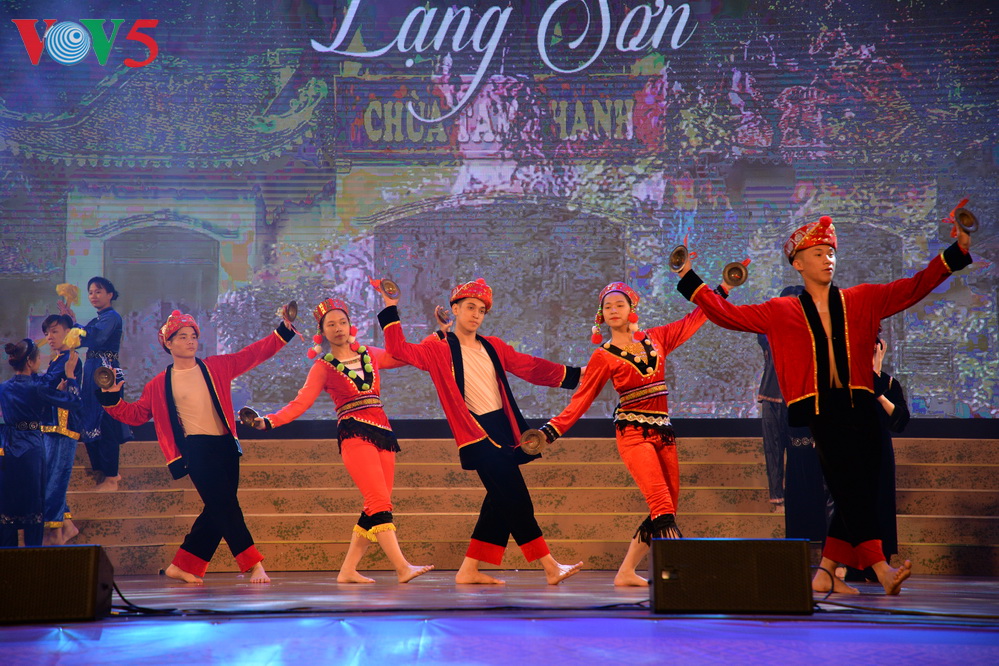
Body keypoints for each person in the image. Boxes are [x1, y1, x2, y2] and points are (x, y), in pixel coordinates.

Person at [674, 215, 972, 595]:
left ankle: (826, 572)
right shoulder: (782, 309)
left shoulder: (861, 298)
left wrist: (957, 251)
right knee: (850, 486)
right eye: (818, 253)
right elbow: (727, 314)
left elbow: (914, 287)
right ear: (798, 263)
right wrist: (688, 276)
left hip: (862, 404)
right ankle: (880, 568)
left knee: (861, 487)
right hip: (821, 408)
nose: (827, 259)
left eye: (831, 252)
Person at [377, 278, 584, 585]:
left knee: (498, 502)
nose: (476, 314)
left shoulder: (493, 346)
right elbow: (398, 349)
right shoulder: (438, 349)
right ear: (455, 309)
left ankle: (468, 570)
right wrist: (390, 307)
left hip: (503, 429)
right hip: (476, 432)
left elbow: (530, 367)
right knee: (516, 498)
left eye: (482, 310)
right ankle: (550, 567)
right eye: (470, 307)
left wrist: (578, 375)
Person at [526, 281, 721, 586]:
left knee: (667, 506)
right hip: (633, 434)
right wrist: (549, 432)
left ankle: (626, 572)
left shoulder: (658, 338)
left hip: (664, 433)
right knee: (661, 505)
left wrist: (721, 291)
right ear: (601, 315)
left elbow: (693, 320)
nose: (613, 310)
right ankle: (679, 578)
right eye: (607, 307)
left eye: (619, 304)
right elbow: (582, 400)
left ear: (632, 309)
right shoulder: (603, 356)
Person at [98, 309, 297, 584]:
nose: (190, 341)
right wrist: (111, 399)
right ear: (168, 343)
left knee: (217, 508)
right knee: (226, 506)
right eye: (182, 336)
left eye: (193, 335)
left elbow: (252, 354)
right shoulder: (159, 384)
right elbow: (136, 414)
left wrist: (283, 332)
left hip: (226, 445)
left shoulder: (216, 367)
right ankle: (254, 565)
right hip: (196, 449)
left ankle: (182, 565)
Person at [248, 297, 434, 584]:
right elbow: (300, 403)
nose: (338, 328)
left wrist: (437, 338)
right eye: (331, 324)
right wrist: (269, 421)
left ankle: (348, 570)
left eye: (342, 322)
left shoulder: (370, 354)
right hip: (354, 434)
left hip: (384, 433)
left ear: (351, 326)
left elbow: (404, 355)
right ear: (322, 332)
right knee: (378, 501)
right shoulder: (322, 367)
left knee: (377, 505)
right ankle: (401, 567)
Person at [0, 339, 80, 547]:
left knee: (7, 506)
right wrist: (71, 378)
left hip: (7, 446)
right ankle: (33, 557)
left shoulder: (4, 388)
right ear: (29, 361)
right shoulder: (38, 388)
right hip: (31, 448)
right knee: (33, 503)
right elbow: (73, 402)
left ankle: (7, 559)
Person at [845, 333, 909, 582]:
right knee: (856, 506)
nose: (870, 357)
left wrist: (879, 391)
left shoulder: (889, 384)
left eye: (874, 352)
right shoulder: (849, 383)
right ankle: (854, 564)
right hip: (853, 451)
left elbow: (900, 421)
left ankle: (881, 564)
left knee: (881, 504)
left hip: (880, 451)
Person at [76, 277, 133, 491]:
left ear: (110, 294)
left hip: (106, 373)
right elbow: (80, 338)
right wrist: (69, 322)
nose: (93, 295)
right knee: (90, 419)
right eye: (90, 292)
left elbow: (95, 338)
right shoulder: (97, 319)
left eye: (98, 291)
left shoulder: (111, 317)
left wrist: (75, 328)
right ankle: (102, 471)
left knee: (106, 421)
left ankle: (111, 476)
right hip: (93, 371)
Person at [39, 314, 83, 545]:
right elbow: (47, 388)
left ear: (68, 333)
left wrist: (51, 386)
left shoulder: (70, 359)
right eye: (47, 333)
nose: (49, 337)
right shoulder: (57, 360)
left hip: (64, 427)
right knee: (49, 479)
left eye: (54, 331)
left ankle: (55, 532)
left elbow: (46, 388)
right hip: (50, 426)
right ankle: (66, 526)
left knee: (55, 480)